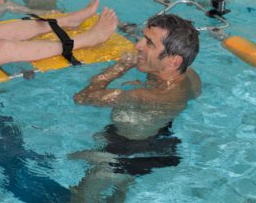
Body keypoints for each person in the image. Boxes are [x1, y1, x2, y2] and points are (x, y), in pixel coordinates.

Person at [72, 14, 201, 201]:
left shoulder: (138, 96)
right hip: (161, 140)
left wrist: (120, 67)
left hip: (122, 152)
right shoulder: (191, 77)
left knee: (81, 194)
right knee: (119, 191)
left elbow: (82, 98)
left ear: (174, 61)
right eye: (143, 37)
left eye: (149, 43)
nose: (138, 45)